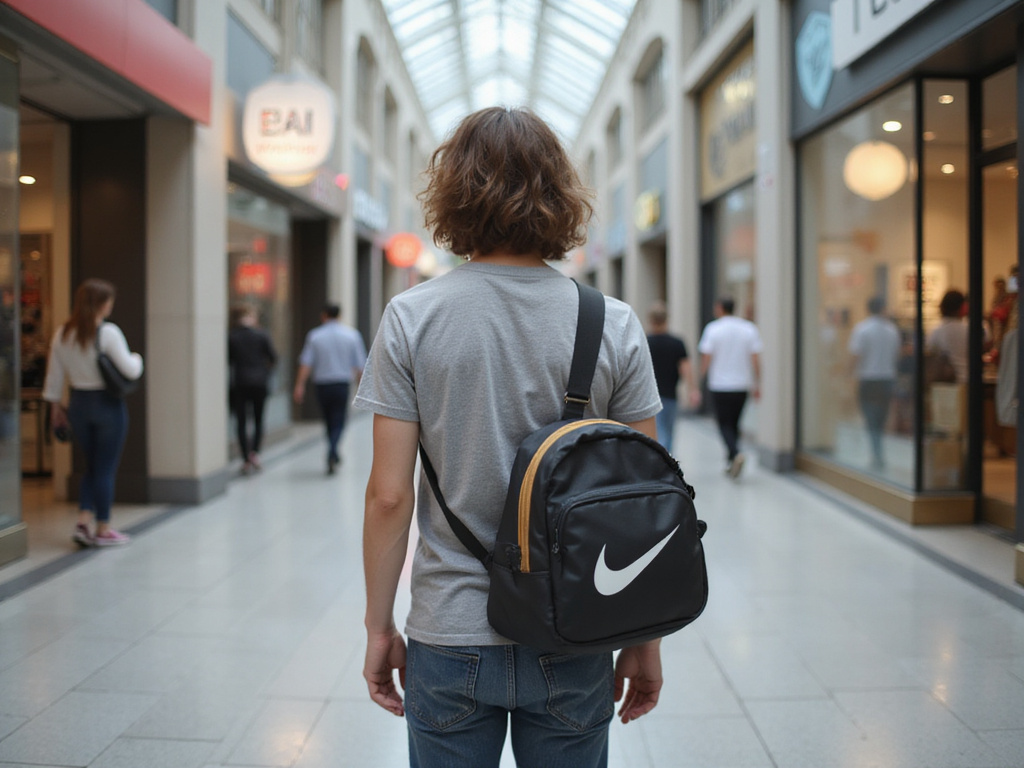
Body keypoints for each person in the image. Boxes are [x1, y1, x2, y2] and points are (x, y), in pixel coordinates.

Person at [353, 107, 664, 767]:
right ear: (560, 196)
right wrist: (646, 638)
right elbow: (646, 496)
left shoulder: (412, 317)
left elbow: (389, 497)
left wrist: (379, 626)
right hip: (576, 627)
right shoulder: (613, 322)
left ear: (452, 196)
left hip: (449, 632)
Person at [42, 279, 143, 547]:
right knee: (105, 468)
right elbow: (130, 370)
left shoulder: (63, 333)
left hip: (78, 404)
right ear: (101, 303)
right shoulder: (108, 333)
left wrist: (55, 409)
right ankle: (103, 528)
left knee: (92, 465)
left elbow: (54, 377)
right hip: (107, 404)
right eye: (109, 300)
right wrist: (137, 358)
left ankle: (83, 522)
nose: (111, 305)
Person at [293, 304, 366, 474]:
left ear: (324, 315)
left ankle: (332, 448)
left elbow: (306, 362)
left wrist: (299, 385)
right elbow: (359, 365)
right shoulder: (352, 335)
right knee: (339, 418)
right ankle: (333, 448)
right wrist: (361, 388)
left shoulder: (315, 336)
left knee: (327, 418)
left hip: (322, 385)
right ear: (339, 316)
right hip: (341, 384)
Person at [698, 295, 763, 479]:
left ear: (719, 308)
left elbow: (706, 358)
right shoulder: (749, 329)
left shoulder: (713, 329)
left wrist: (701, 380)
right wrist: (757, 382)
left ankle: (735, 453)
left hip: (719, 385)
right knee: (734, 423)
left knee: (724, 423)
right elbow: (755, 359)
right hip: (742, 385)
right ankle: (731, 460)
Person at [848, 297, 901, 470]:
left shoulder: (862, 329)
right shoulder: (892, 330)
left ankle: (876, 453)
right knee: (882, 418)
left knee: (871, 418)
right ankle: (878, 452)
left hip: (869, 379)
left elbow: (856, 356)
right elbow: (897, 356)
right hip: (887, 379)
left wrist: (849, 376)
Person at [228, 305, 278, 474]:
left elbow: (228, 360)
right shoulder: (261, 335)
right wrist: (265, 372)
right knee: (258, 419)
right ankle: (255, 452)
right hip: (259, 383)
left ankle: (245, 457)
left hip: (240, 383)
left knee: (241, 421)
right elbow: (273, 358)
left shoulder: (233, 337)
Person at [646, 301, 700, 453]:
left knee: (653, 433)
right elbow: (686, 369)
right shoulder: (677, 343)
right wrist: (693, 390)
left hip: (649, 396)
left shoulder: (645, 342)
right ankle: (666, 464)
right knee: (667, 433)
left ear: (650, 320)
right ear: (666, 319)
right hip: (670, 394)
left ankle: (657, 463)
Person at [926, 289, 970, 385]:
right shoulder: (968, 330)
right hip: (967, 381)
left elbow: (930, 354)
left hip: (945, 384)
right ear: (962, 307)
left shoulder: (936, 331)